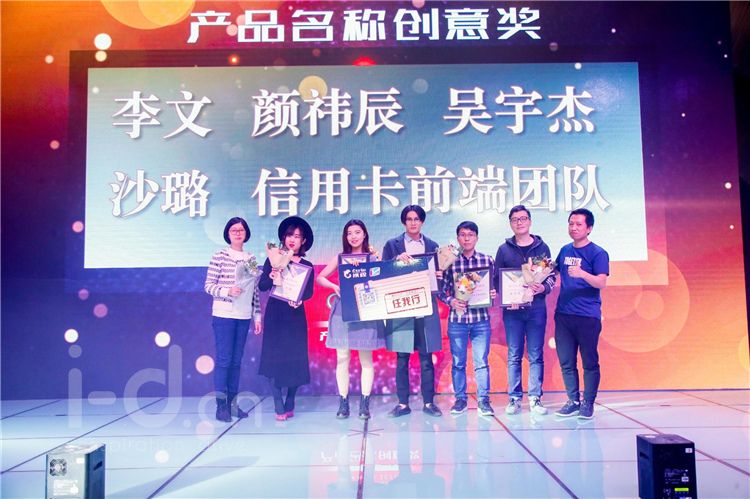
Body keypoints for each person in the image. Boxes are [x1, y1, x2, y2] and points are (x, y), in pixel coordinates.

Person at [317, 219, 385, 420]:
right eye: (349, 233)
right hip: (343, 310)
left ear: (364, 234)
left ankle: (364, 403)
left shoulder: (373, 257)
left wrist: (371, 263)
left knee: (366, 359)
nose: (353, 236)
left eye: (357, 232)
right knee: (342, 357)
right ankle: (343, 402)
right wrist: (334, 286)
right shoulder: (340, 258)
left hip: (365, 310)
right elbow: (320, 277)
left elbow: (383, 279)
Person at [382, 205, 443, 418]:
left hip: (426, 308)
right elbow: (383, 273)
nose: (413, 222)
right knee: (402, 358)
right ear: (404, 222)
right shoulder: (392, 245)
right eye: (409, 219)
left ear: (422, 222)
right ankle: (402, 404)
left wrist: (439, 276)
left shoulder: (433, 246)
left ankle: (428, 403)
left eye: (417, 219)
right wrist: (395, 262)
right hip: (402, 307)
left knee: (426, 357)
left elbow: (438, 277)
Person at [495, 205, 556, 416]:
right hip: (512, 311)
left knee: (535, 354)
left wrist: (543, 288)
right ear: (510, 223)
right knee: (514, 354)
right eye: (515, 219)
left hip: (536, 309)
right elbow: (497, 279)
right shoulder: (503, 250)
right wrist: (505, 297)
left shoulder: (542, 247)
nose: (519, 222)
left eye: (523, 218)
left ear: (530, 221)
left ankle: (535, 398)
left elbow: (550, 275)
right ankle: (514, 398)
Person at [553, 208, 609, 420]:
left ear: (589, 228)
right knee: (566, 361)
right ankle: (573, 401)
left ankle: (588, 403)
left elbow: (601, 282)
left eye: (578, 224)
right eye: (571, 224)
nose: (574, 228)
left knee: (589, 362)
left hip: (587, 316)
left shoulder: (598, 253)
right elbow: (553, 271)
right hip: (564, 314)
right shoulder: (565, 250)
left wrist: (583, 274)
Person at [204, 217, 262, 422]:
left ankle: (233, 404)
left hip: (244, 315)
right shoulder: (219, 256)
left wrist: (257, 316)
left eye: (241, 230)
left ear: (246, 233)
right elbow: (208, 285)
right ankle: (221, 407)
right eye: (233, 230)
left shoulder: (251, 258)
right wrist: (227, 291)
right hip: (224, 314)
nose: (238, 233)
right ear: (227, 234)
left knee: (236, 362)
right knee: (224, 360)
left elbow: (255, 290)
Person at [258, 216, 315, 421]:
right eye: (290, 235)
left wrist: (299, 301)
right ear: (283, 237)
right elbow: (262, 286)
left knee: (295, 358)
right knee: (274, 358)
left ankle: (291, 399)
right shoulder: (274, 259)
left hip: (295, 316)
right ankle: (277, 402)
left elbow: (308, 292)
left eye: (297, 236)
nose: (292, 239)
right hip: (276, 314)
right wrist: (272, 274)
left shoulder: (307, 265)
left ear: (303, 241)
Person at [438, 221, 497, 416]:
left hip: (481, 320)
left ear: (477, 238)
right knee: (458, 363)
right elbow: (442, 290)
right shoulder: (451, 262)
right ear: (458, 238)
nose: (466, 238)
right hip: (458, 321)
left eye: (470, 235)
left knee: (481, 362)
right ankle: (460, 400)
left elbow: (494, 287)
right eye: (462, 235)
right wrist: (451, 301)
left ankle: (483, 401)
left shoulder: (487, 260)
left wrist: (493, 293)